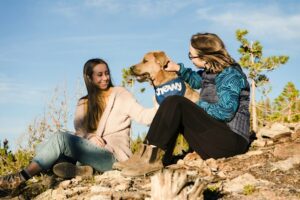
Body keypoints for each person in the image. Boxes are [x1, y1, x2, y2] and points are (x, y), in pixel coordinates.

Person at [0, 58, 157, 192]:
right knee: (42, 148)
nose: (105, 78)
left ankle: (21, 177)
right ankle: (84, 171)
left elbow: (143, 116)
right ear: (89, 78)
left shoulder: (121, 94)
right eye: (100, 75)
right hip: (88, 152)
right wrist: (91, 137)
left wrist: (159, 104)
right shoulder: (83, 102)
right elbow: (80, 131)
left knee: (60, 139)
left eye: (107, 73)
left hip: (111, 156)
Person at [116, 33, 251, 177]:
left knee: (175, 101)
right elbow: (196, 81)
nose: (190, 59)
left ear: (205, 56)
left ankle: (151, 160)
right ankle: (149, 157)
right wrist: (177, 69)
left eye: (191, 56)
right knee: (173, 102)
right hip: (216, 138)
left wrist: (196, 103)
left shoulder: (230, 75)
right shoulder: (210, 73)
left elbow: (225, 112)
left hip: (231, 141)